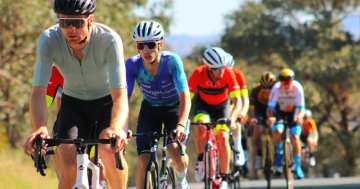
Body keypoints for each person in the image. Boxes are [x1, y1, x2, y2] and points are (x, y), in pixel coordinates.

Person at [22, 0, 129, 188]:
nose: (70, 29)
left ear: (90, 20)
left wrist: (117, 128)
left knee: (109, 152)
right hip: (74, 104)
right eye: (64, 22)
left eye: (77, 22)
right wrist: (39, 128)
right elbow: (39, 92)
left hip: (107, 104)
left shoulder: (109, 40)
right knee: (68, 166)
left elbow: (120, 96)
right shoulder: (49, 40)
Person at [126, 20, 191, 189]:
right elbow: (123, 98)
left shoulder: (172, 61)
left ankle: (180, 178)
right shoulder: (132, 65)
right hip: (150, 109)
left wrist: (181, 125)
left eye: (151, 44)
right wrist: (121, 126)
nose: (146, 50)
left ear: (160, 44)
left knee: (174, 149)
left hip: (174, 109)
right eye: (141, 45)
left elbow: (185, 96)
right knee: (143, 160)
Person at [189, 47, 242, 189]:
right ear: (209, 68)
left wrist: (233, 117)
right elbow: (187, 99)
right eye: (218, 69)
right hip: (203, 106)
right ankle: (201, 159)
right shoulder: (198, 73)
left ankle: (224, 179)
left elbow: (238, 102)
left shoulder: (228, 73)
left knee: (223, 136)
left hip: (222, 107)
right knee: (200, 128)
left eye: (223, 67)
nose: (222, 71)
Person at [267, 68, 305, 179]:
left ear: (292, 81)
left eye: (288, 82)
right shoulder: (276, 88)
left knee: (295, 136)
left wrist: (300, 117)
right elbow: (269, 108)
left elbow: (301, 108)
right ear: (280, 82)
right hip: (279, 111)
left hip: (293, 112)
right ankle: (279, 154)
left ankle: (297, 166)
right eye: (284, 82)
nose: (286, 85)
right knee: (276, 130)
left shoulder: (298, 88)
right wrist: (271, 118)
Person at [224, 53, 248, 177]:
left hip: (235, 105)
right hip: (222, 104)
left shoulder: (238, 75)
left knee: (236, 122)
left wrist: (242, 113)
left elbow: (245, 99)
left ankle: (238, 148)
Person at [248, 71, 277, 169]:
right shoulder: (256, 90)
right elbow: (251, 108)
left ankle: (279, 152)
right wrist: (252, 119)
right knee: (258, 130)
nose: (267, 90)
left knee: (277, 129)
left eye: (270, 87)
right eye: (264, 87)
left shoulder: (278, 89)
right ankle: (259, 154)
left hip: (274, 110)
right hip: (260, 110)